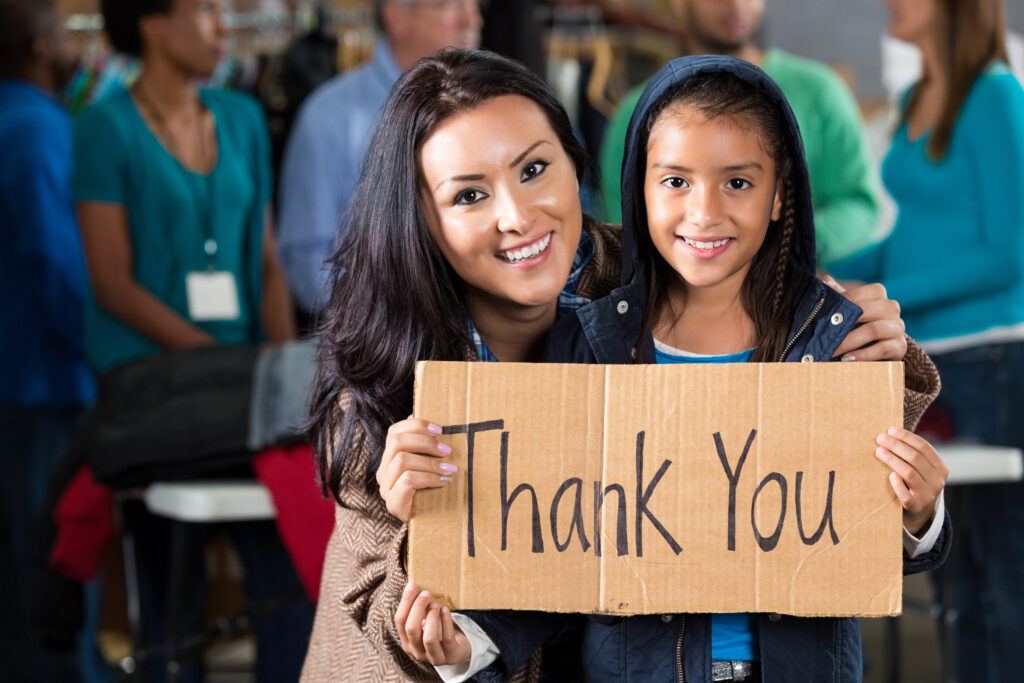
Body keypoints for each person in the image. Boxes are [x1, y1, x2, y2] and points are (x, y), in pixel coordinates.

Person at [304, 47, 934, 682]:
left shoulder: (647, 274)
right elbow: (393, 621)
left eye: (534, 169)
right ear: (422, 223)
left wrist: (863, 337)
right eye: (469, 194)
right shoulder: (381, 383)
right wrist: (415, 534)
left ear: (578, 168)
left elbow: (832, 465)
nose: (517, 217)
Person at [75, 0, 309, 680]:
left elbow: (265, 260)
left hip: (245, 397)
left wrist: (282, 367)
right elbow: (112, 282)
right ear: (151, 21)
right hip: (156, 395)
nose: (222, 25)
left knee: (289, 587)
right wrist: (221, 364)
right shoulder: (103, 128)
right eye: (204, 8)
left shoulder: (240, 118)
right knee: (170, 606)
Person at [831, 1, 1024, 680]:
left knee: (1002, 581)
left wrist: (893, 300)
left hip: (994, 359)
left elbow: (1009, 252)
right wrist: (826, 275)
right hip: (931, 363)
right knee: (950, 579)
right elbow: (911, 238)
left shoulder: (996, 95)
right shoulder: (916, 96)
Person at [599, 0, 881, 267]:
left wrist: (783, 244)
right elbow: (622, 226)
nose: (735, 5)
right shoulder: (636, 111)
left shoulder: (820, 91)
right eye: (676, 181)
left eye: (737, 182)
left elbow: (858, 205)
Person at [277, 0, 482, 316]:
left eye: (476, 5)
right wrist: (395, 319)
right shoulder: (329, 117)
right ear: (397, 16)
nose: (473, 19)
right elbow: (306, 262)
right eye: (449, 5)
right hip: (376, 347)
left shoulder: (495, 110)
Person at [0, 1, 95, 680]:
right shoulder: (37, 129)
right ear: (38, 46)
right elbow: (59, 266)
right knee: (53, 584)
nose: (73, 48)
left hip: (21, 384)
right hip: (45, 389)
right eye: (63, 33)